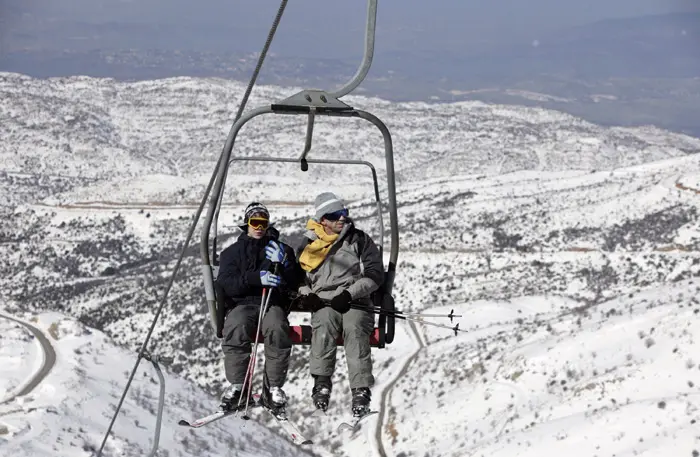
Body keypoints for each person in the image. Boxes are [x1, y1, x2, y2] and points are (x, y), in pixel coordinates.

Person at [296, 192, 385, 417]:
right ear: (322, 220)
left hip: (354, 299)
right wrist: (307, 294)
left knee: (355, 330)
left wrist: (350, 293)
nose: (342, 219)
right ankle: (322, 383)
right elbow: (296, 277)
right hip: (324, 300)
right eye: (335, 215)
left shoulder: (358, 240)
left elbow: (375, 275)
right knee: (324, 326)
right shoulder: (309, 244)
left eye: (344, 214)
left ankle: (360, 390)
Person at [216, 202, 300, 414]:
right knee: (236, 326)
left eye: (263, 222)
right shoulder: (232, 253)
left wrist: (285, 265)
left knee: (277, 327)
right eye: (255, 222)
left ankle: (273, 387)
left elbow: (295, 281)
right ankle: (238, 386)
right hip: (244, 302)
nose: (259, 227)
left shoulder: (281, 250)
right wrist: (255, 278)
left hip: (271, 302)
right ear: (247, 224)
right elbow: (227, 282)